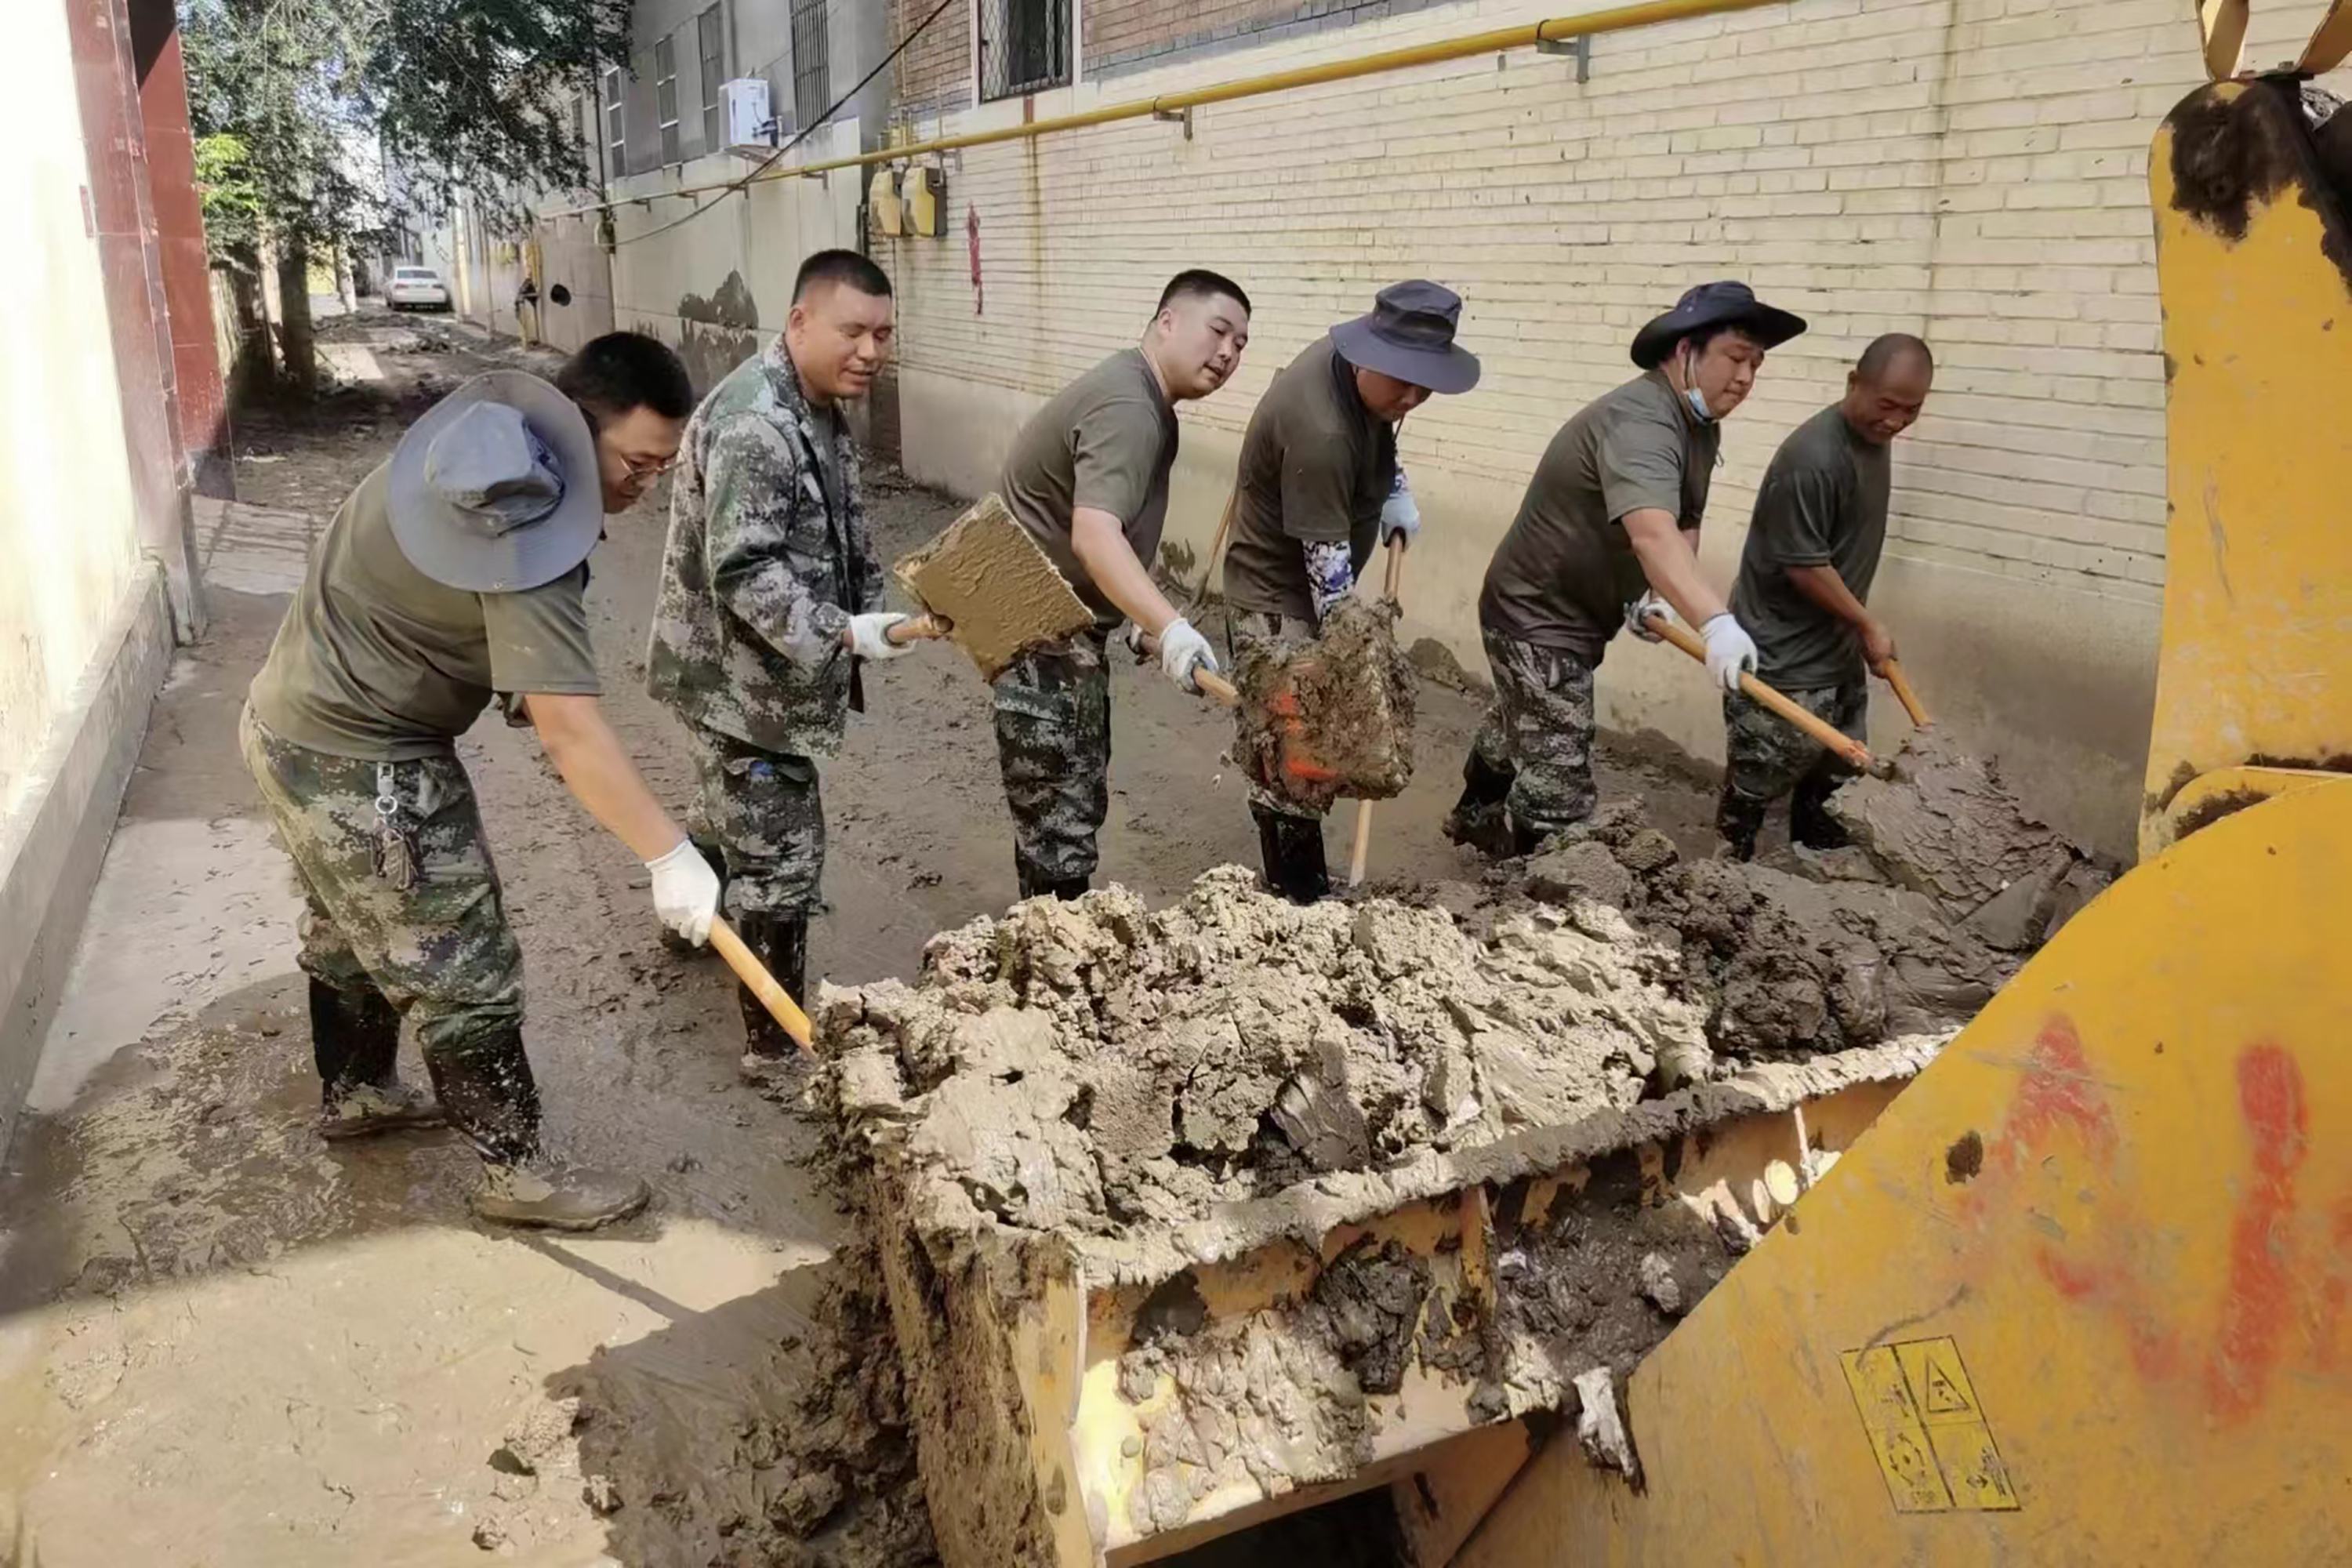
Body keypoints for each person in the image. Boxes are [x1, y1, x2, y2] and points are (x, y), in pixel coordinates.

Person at [240, 331, 712, 1230]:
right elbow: (570, 727)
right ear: (581, 430)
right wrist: (670, 852)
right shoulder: (520, 517)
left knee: (354, 925)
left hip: (290, 721)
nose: (647, 486)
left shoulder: (477, 445)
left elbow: (519, 674)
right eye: (642, 464)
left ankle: (358, 1091)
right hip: (361, 751)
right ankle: (518, 1173)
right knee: (463, 956)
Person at [647, 249, 922, 1060]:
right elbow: (743, 569)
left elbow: (842, 526)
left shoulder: (818, 403)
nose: (872, 351)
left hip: (754, 677)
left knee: (726, 813)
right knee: (783, 859)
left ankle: (687, 920)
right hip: (737, 685)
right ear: (799, 322)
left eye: (883, 334)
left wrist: (879, 610)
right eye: (853, 331)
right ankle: (775, 1049)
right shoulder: (757, 425)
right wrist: (842, 628)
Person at [1446, 281, 1807, 857]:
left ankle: (1474, 812)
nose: (1745, 379)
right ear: (1685, 351)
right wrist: (1714, 621)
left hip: (1579, 611)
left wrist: (1657, 594)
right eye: (1736, 359)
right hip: (1535, 610)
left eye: (1756, 365)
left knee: (1522, 719)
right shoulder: (1641, 421)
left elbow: (1683, 519)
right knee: (1558, 775)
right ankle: (1531, 898)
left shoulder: (1699, 428)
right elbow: (1651, 532)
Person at [991, 269, 1254, 899]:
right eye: (1218, 331)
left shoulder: (1146, 400)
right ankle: (1056, 961)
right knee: (1061, 818)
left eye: (1242, 345)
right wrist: (1171, 627)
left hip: (1053, 627)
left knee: (1065, 802)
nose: (1228, 353)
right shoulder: (1132, 407)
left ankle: (1052, 940)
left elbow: (1113, 544)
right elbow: (1094, 535)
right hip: (1041, 635)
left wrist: (1141, 624)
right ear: (1167, 321)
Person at [1220, 279, 1481, 902]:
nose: (1413, 397)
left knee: (1306, 741)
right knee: (1293, 751)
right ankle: (1298, 893)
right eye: (1403, 382)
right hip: (1277, 603)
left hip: (1308, 576)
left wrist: (1392, 486)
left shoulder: (1362, 379)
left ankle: (1300, 877)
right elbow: (1330, 590)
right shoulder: (1322, 430)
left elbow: (1381, 430)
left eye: (1426, 384)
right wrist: (1364, 667)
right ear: (1370, 356)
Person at [1718, 334, 1934, 858]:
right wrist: (1866, 623)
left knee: (1838, 764)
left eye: (1912, 410)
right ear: (1854, 383)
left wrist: (1854, 628)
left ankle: (1816, 859)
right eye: (1886, 405)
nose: (1896, 421)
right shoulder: (1813, 457)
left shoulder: (1873, 441)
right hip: (1781, 653)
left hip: (1832, 648)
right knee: (1764, 770)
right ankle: (1726, 868)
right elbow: (1803, 564)